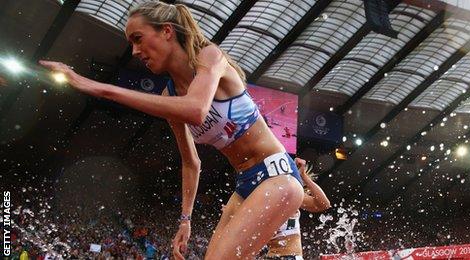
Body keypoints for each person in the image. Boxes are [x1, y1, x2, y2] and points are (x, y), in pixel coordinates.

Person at [39, 1, 304, 259]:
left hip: (276, 174)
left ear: (167, 31)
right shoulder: (170, 94)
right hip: (246, 184)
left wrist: (99, 88)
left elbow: (196, 110)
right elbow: (191, 163)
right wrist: (185, 220)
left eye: (138, 38)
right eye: (131, 43)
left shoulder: (210, 56)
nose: (134, 50)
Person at [263, 158, 331, 260]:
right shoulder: (262, 200)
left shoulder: (290, 195)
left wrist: (304, 176)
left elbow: (324, 204)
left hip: (291, 256)